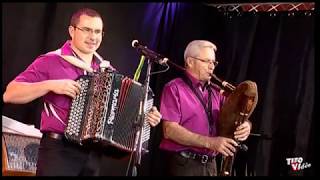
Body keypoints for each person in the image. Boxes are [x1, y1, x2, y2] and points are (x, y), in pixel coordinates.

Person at [3, 8, 161, 176]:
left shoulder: (106, 71)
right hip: (59, 151)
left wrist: (145, 116)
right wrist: (50, 85)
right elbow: (10, 93)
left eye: (97, 31)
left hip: (93, 155)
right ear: (72, 31)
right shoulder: (51, 60)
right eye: (86, 30)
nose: (93, 37)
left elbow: (122, 114)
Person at [158, 40, 252, 176]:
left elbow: (236, 115)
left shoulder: (216, 91)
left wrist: (246, 125)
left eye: (213, 62)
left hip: (211, 165)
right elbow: (169, 130)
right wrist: (210, 143)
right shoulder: (174, 88)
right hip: (185, 165)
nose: (211, 67)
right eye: (207, 61)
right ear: (190, 62)